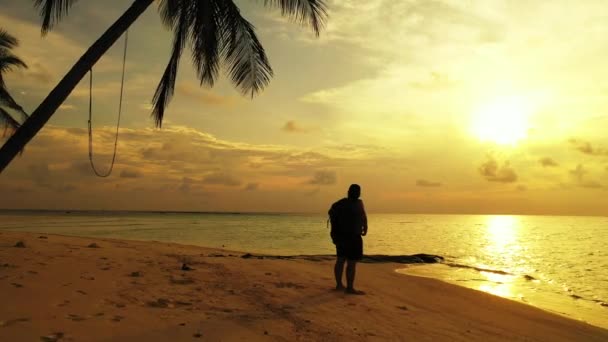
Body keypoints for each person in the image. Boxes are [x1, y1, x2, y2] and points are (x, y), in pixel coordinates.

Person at [329, 184, 368, 295]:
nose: (357, 193)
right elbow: (332, 216)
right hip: (346, 236)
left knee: (345, 261)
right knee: (347, 262)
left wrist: (365, 226)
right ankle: (346, 287)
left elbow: (363, 215)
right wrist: (334, 233)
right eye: (355, 191)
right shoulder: (341, 204)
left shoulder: (359, 203)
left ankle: (343, 286)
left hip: (353, 236)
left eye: (358, 191)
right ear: (350, 192)